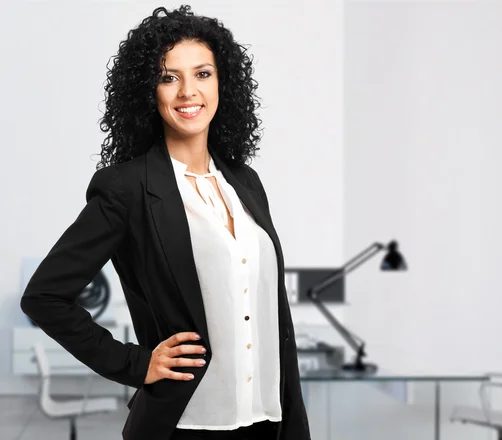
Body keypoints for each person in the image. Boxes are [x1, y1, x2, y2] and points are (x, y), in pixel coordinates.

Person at [20, 5, 310, 440]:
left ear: (222, 83)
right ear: (148, 91)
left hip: (269, 420)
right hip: (185, 425)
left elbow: (274, 316)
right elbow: (45, 297)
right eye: (168, 77)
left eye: (203, 74)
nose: (188, 92)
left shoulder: (246, 183)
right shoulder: (127, 188)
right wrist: (138, 364)